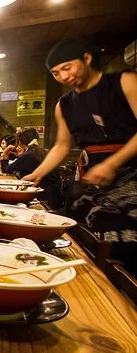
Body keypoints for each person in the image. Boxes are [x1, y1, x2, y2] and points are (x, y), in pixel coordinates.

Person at [24, 38, 137, 271]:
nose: (63, 77)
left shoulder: (125, 82)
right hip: (90, 176)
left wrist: (112, 163)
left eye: (67, 67)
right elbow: (62, 146)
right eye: (56, 73)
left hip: (131, 173)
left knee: (127, 243)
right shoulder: (64, 104)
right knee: (84, 235)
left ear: (87, 58)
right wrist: (37, 173)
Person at [0, 128, 63, 210]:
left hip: (43, 199)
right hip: (54, 197)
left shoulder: (29, 155)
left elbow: (6, 170)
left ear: (20, 142)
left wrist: (5, 153)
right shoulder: (41, 152)